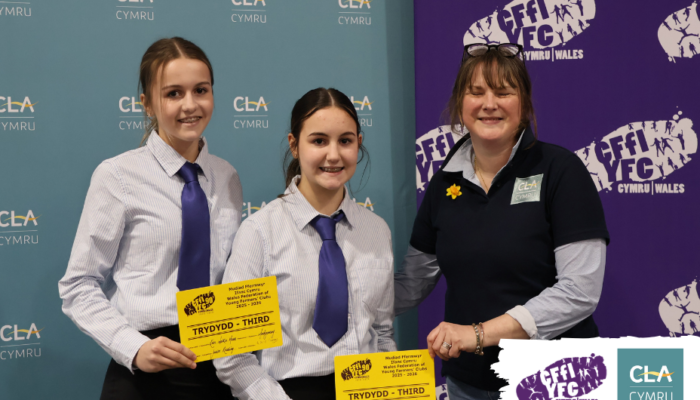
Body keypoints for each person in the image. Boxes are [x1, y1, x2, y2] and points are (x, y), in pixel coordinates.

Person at [395, 43, 609, 400]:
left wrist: (478, 334)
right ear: (460, 103)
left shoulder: (561, 171)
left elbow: (580, 292)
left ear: (523, 104)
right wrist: (333, 300)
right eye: (476, 92)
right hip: (468, 384)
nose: (489, 103)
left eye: (504, 92)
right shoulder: (444, 183)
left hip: (553, 380)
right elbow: (412, 283)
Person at [58, 37, 242, 400]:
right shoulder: (117, 176)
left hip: (218, 367)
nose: (190, 105)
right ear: (147, 104)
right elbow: (78, 285)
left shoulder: (228, 176)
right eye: (173, 93)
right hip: (145, 374)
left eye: (201, 90)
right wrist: (134, 347)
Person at [214, 88, 396, 400]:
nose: (334, 155)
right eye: (319, 141)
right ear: (294, 145)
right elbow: (232, 353)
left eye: (345, 141)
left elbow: (381, 333)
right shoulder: (259, 232)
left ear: (358, 144)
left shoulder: (377, 231)